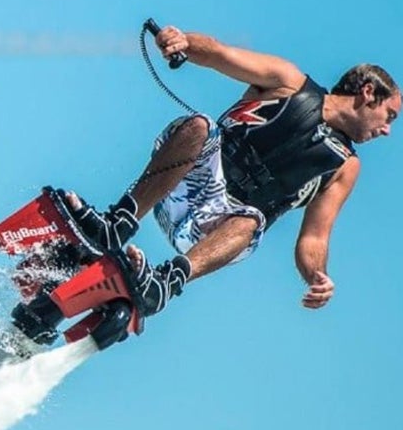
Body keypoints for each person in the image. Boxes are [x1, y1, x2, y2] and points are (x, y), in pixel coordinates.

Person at [62, 25, 400, 317]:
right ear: (368, 93)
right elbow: (218, 54)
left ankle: (166, 283)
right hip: (179, 186)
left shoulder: (345, 166)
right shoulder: (288, 82)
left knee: (254, 220)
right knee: (199, 126)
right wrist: (183, 42)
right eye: (390, 116)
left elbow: (313, 237)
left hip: (217, 233)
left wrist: (317, 276)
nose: (387, 130)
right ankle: (118, 224)